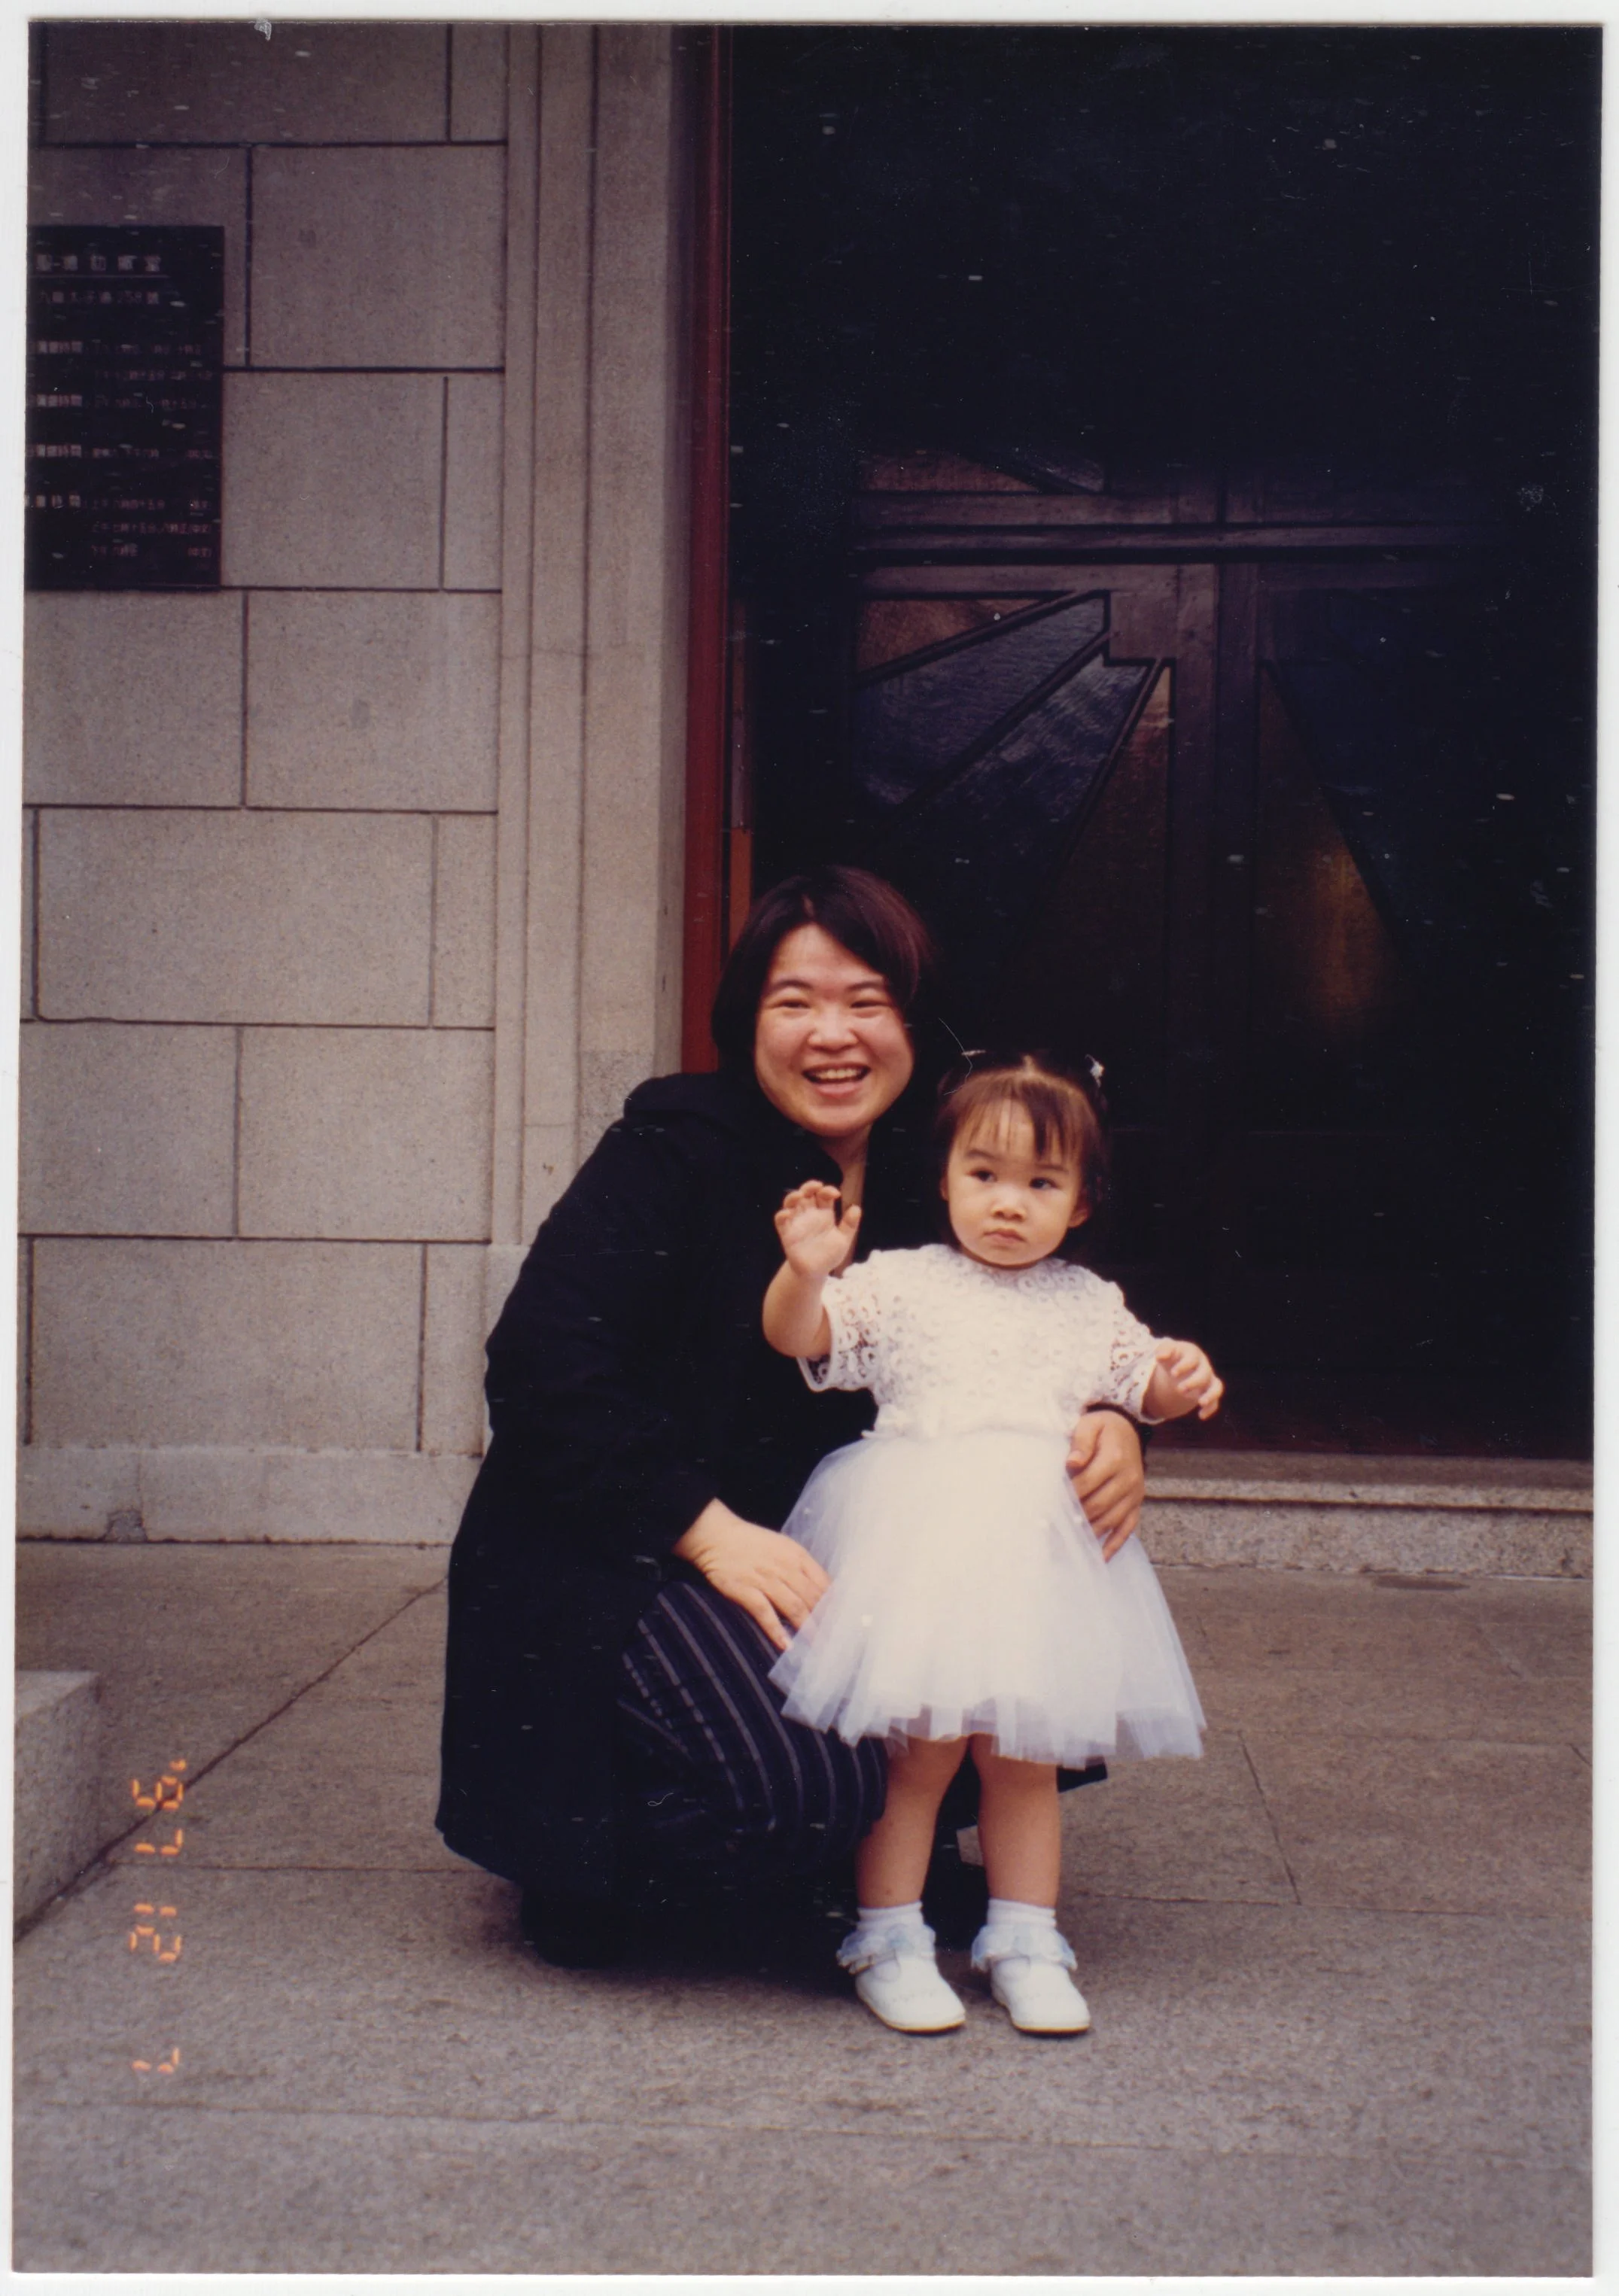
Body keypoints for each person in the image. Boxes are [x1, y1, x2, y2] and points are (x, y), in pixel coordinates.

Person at [437, 870, 1151, 1966]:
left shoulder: (947, 1165)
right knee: (810, 1790)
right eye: (795, 1002)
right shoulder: (670, 1150)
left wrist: (1109, 1415)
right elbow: (540, 1371)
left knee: (1013, 1660)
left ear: (913, 1023)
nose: (833, 1036)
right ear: (748, 1021)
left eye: (866, 1002)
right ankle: (613, 1861)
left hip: (826, 1547)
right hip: (636, 1547)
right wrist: (707, 1531)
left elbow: (1038, 1313)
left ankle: (853, 1865)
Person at [762, 1049, 1219, 2034]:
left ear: (1081, 1203)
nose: (1008, 1203)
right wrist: (805, 1273)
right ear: (944, 1179)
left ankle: (1024, 1937)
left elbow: (1143, 1385)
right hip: (922, 1546)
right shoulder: (902, 1283)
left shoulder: (1086, 1302)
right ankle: (888, 1936)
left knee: (1024, 1756)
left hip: (1031, 1561)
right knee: (920, 1754)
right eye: (984, 1174)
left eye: (1041, 1184)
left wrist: (1181, 1378)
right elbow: (802, 1338)